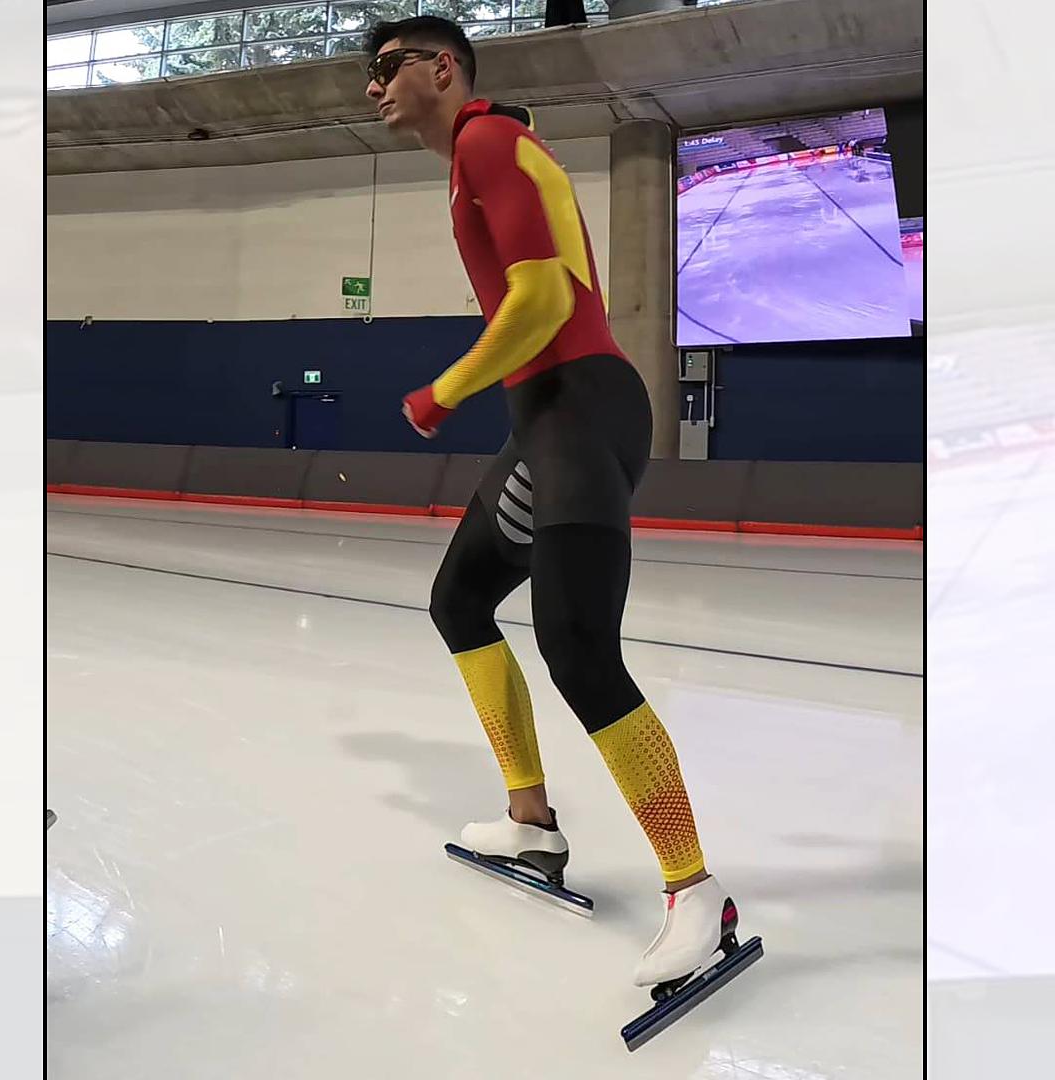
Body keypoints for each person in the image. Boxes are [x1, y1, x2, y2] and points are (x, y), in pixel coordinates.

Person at [363, 16, 742, 996]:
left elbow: (542, 300)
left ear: (443, 68)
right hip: (547, 419)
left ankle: (695, 891)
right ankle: (531, 823)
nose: (374, 86)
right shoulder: (476, 154)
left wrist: (444, 391)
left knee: (578, 649)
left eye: (389, 67)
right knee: (460, 603)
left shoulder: (487, 140)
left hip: (578, 407)